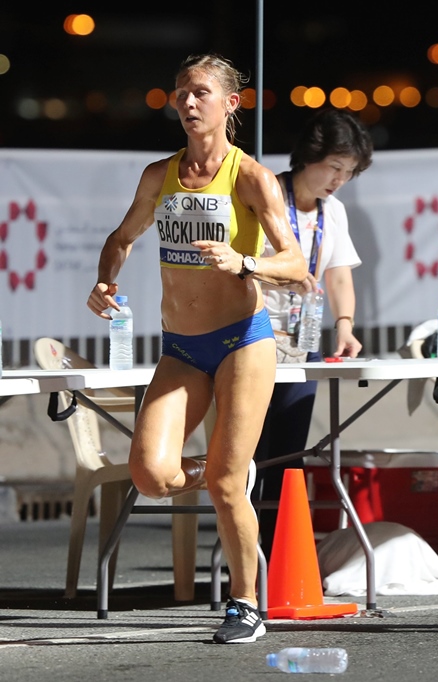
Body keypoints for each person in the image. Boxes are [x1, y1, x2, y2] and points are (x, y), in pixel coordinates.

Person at [86, 53, 308, 644]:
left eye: (201, 93)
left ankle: (244, 603)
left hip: (243, 341)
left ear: (230, 104)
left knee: (227, 485)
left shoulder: (251, 177)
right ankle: (226, 474)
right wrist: (106, 280)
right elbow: (122, 236)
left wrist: (247, 262)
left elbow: (297, 266)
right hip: (182, 347)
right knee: (151, 475)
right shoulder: (158, 175)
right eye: (180, 93)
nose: (187, 103)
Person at [251, 109, 371, 560]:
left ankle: (276, 553)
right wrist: (286, 276)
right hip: (252, 334)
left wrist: (345, 326)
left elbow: (338, 275)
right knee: (249, 448)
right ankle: (243, 556)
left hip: (301, 343)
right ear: (309, 156)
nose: (339, 180)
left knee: (288, 452)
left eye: (349, 173)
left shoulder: (332, 211)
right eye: (334, 167)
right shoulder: (263, 194)